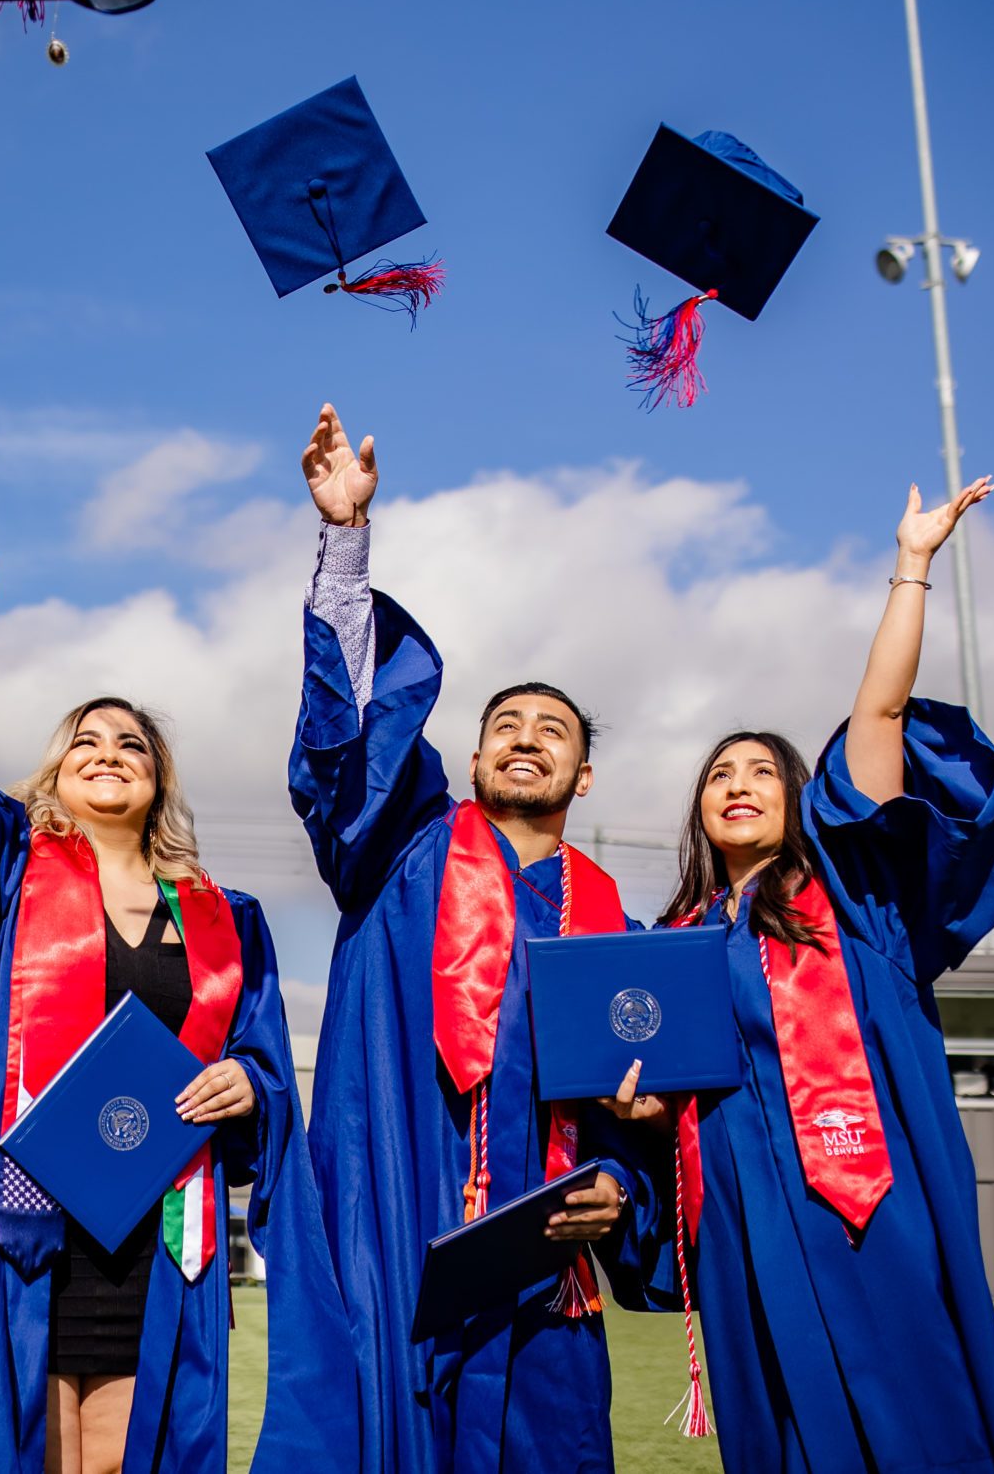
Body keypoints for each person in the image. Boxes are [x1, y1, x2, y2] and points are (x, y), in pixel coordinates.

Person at [608, 476, 994, 1474]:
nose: (738, 785)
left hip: (863, 1193)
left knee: (913, 1411)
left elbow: (879, 709)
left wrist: (913, 564)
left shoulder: (856, 900)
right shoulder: (670, 943)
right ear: (699, 813)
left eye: (761, 770)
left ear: (801, 799)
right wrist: (640, 1116)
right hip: (737, 1210)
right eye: (719, 775)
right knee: (778, 1429)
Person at [265, 404, 663, 1474]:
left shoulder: (615, 926)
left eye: (552, 733)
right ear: (474, 758)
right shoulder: (408, 850)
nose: (523, 740)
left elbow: (656, 1106)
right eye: (504, 727)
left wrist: (620, 1188)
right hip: (399, 1227)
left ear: (583, 776)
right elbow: (347, 744)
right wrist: (345, 549)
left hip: (547, 1277)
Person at [0, 537, 331, 1474]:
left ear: (160, 779)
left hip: (162, 1224)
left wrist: (248, 1086)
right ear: (55, 772)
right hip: (30, 1226)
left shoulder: (226, 918)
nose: (108, 754)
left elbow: (259, 1060)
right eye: (85, 742)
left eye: (130, 743)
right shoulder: (9, 873)